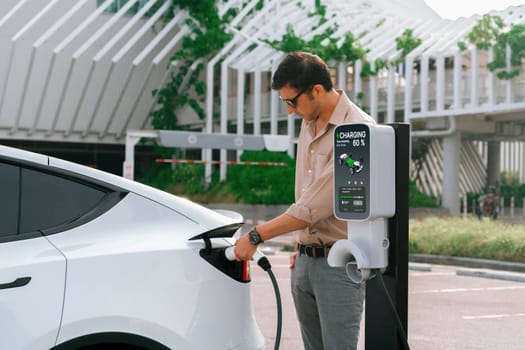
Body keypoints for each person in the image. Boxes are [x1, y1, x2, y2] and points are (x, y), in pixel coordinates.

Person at [233, 51, 376, 350]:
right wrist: (301, 244)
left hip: (339, 265)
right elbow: (306, 191)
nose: (289, 111)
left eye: (292, 102)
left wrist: (257, 236)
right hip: (306, 261)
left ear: (317, 90)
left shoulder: (357, 132)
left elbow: (313, 207)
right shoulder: (309, 122)